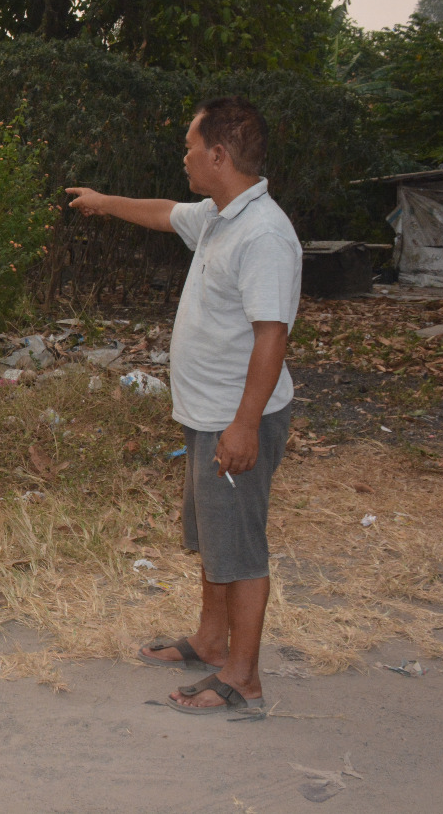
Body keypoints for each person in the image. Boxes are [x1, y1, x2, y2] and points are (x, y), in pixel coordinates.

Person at [65, 96, 301, 715]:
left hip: (235, 418)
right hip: (207, 416)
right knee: (212, 539)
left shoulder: (264, 233)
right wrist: (102, 201)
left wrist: (244, 426)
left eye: (191, 148)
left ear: (218, 155)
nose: (186, 158)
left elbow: (272, 333)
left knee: (240, 549)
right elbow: (165, 213)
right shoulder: (222, 215)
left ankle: (242, 680)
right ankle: (209, 639)